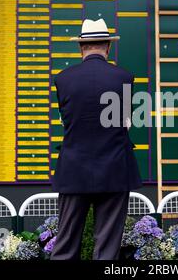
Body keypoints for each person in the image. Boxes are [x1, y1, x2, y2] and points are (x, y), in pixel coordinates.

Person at [50, 18, 142, 260]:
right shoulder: (123, 77)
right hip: (114, 168)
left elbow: (67, 120)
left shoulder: (63, 79)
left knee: (66, 244)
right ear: (108, 47)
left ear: (81, 47)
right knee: (107, 248)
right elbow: (123, 122)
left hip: (74, 169)